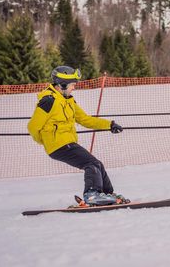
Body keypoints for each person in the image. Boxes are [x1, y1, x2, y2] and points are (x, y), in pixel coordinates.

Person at [27, 66, 124, 206]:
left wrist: (110, 124)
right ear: (63, 84)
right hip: (58, 145)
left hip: (67, 143)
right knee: (91, 164)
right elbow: (33, 126)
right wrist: (45, 140)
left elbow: (85, 119)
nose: (74, 88)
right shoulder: (49, 101)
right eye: (72, 84)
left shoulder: (68, 100)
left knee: (97, 164)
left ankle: (107, 195)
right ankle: (92, 194)